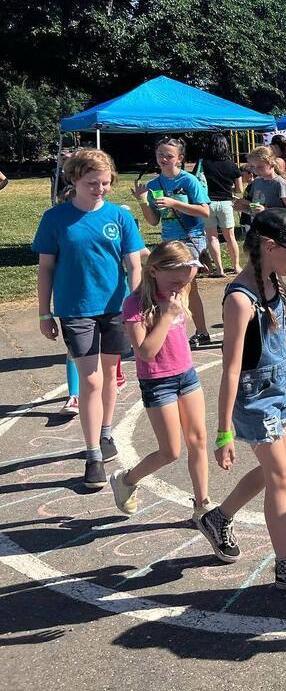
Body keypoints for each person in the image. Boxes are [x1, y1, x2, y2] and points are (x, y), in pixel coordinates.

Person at [197, 208, 286, 592]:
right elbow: (230, 368)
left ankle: (218, 518)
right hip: (254, 399)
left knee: (272, 472)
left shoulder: (274, 283)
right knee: (281, 477)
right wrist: (223, 432)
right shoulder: (241, 300)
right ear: (270, 246)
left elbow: (272, 343)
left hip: (279, 390)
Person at [33, 149, 145, 489]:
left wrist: (136, 306)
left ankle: (106, 432)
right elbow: (46, 268)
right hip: (74, 308)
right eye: (92, 183)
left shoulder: (120, 218)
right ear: (74, 180)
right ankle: (93, 454)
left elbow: (135, 264)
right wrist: (44, 312)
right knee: (91, 382)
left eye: (106, 182)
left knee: (110, 375)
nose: (100, 189)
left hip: (115, 308)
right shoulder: (55, 219)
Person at [109, 241, 213, 522]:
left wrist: (176, 299)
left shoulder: (180, 289)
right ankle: (126, 480)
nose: (180, 287)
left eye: (186, 280)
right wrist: (167, 316)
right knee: (170, 451)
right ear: (153, 271)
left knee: (199, 440)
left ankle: (202, 506)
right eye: (175, 281)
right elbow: (145, 351)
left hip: (186, 375)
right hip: (157, 381)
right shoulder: (135, 304)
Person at [131, 137, 212, 348]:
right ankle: (174, 332)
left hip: (191, 240)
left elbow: (205, 211)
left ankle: (199, 332)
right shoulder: (154, 184)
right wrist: (142, 200)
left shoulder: (188, 181)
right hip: (169, 241)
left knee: (186, 288)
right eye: (160, 155)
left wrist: (174, 202)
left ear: (180, 158)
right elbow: (153, 220)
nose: (164, 159)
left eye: (169, 156)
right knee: (168, 288)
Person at [237, 147, 286, 334]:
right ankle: (276, 313)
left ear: (271, 164)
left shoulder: (280, 183)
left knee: (271, 276)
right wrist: (244, 207)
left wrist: (267, 211)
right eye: (253, 167)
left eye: (260, 166)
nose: (256, 170)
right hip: (260, 233)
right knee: (264, 275)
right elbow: (255, 209)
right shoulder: (256, 183)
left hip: (275, 236)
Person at [197, 134, 242, 277]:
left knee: (212, 237)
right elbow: (239, 189)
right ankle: (236, 266)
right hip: (226, 203)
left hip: (208, 203)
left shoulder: (203, 164)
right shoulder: (232, 165)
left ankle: (219, 269)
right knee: (230, 237)